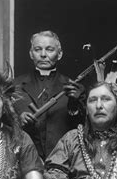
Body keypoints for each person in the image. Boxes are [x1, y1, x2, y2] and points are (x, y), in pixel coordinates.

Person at [13, 30, 84, 160]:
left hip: (63, 161)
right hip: (24, 160)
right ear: (31, 54)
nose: (43, 55)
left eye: (49, 49)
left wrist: (74, 104)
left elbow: (82, 129)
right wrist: (18, 118)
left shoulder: (74, 88)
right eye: (38, 49)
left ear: (60, 54)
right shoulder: (14, 86)